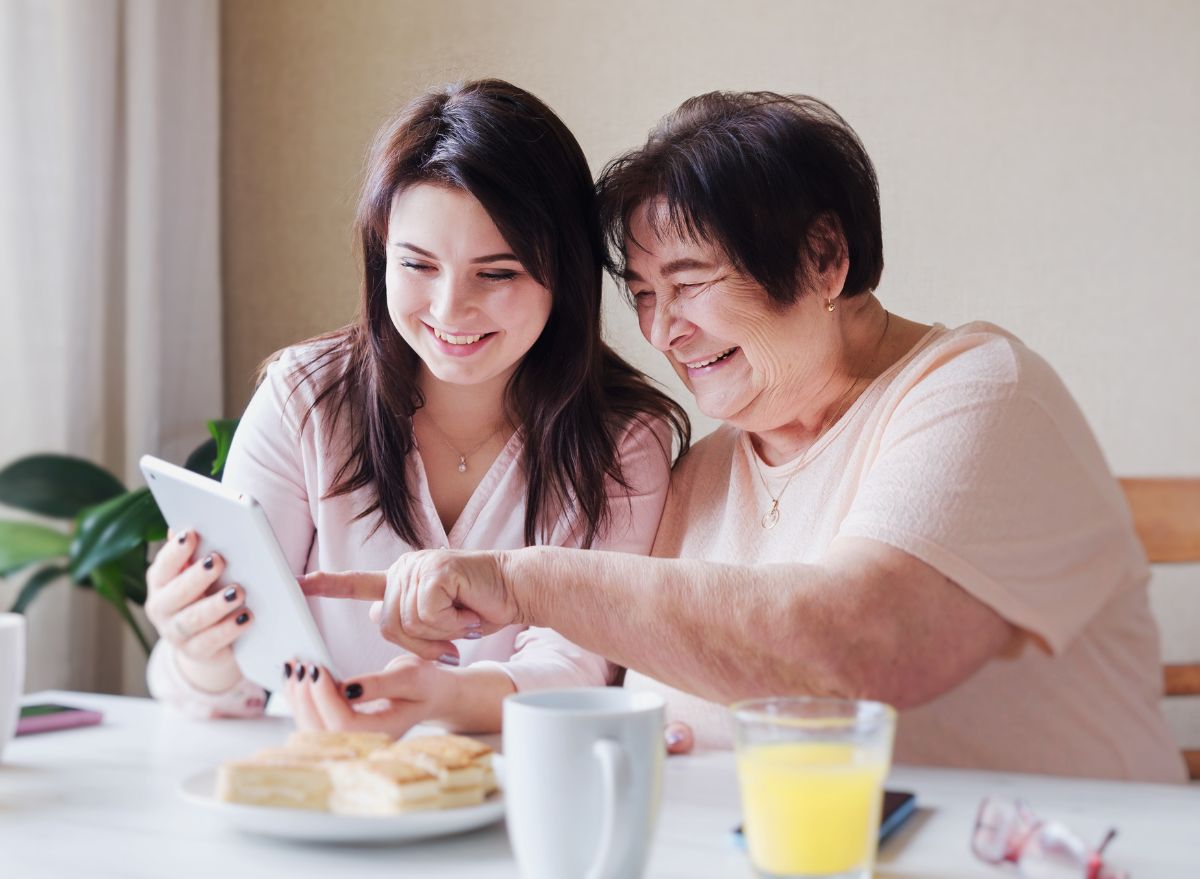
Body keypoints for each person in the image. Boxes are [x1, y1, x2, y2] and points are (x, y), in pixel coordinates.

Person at [305, 91, 1186, 782]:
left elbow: (856, 648)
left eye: (690, 283)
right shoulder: (706, 468)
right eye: (644, 295)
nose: (663, 329)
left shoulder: (977, 392)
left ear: (824, 259)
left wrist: (521, 581)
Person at [141, 79, 688, 735]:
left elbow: (577, 667)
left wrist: (442, 699)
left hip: (507, 800)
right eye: (417, 264)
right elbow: (232, 678)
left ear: (564, 275)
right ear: (381, 257)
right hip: (318, 790)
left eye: (498, 272)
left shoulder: (625, 440)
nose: (450, 309)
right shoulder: (304, 398)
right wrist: (201, 646)